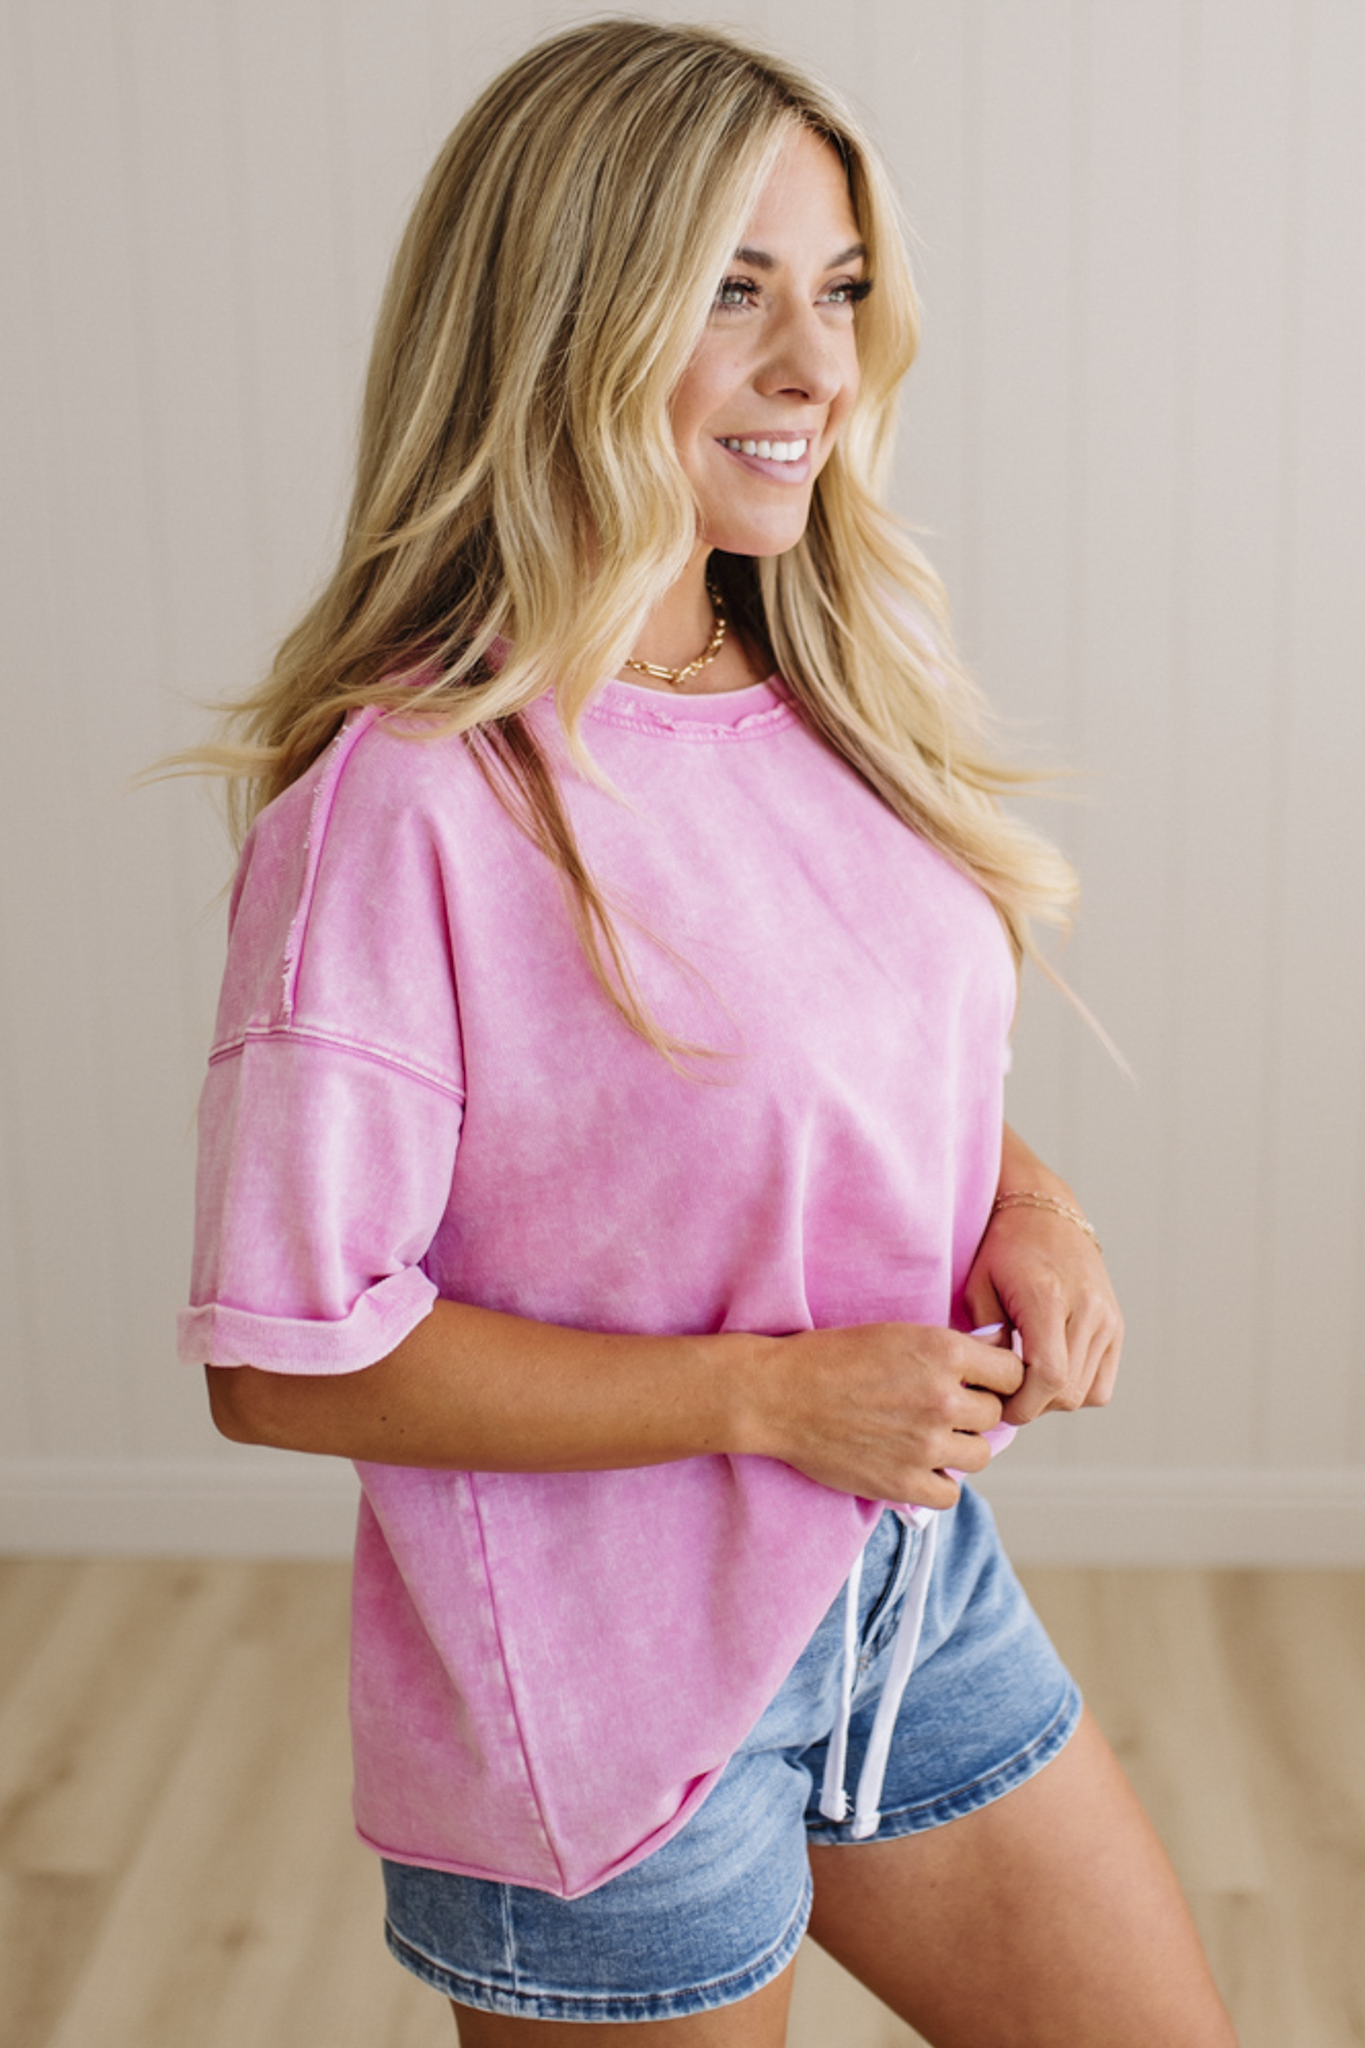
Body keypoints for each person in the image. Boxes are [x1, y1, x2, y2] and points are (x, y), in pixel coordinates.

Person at [180, 19, 1237, 2045]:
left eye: (836, 288)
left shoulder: (830, 668)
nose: (818, 366)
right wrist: (771, 1399)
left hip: (901, 1594)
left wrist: (1031, 1203)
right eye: (731, 290)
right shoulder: (411, 804)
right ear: (564, 318)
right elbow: (287, 1363)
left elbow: (852, 1067)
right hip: (596, 1715)